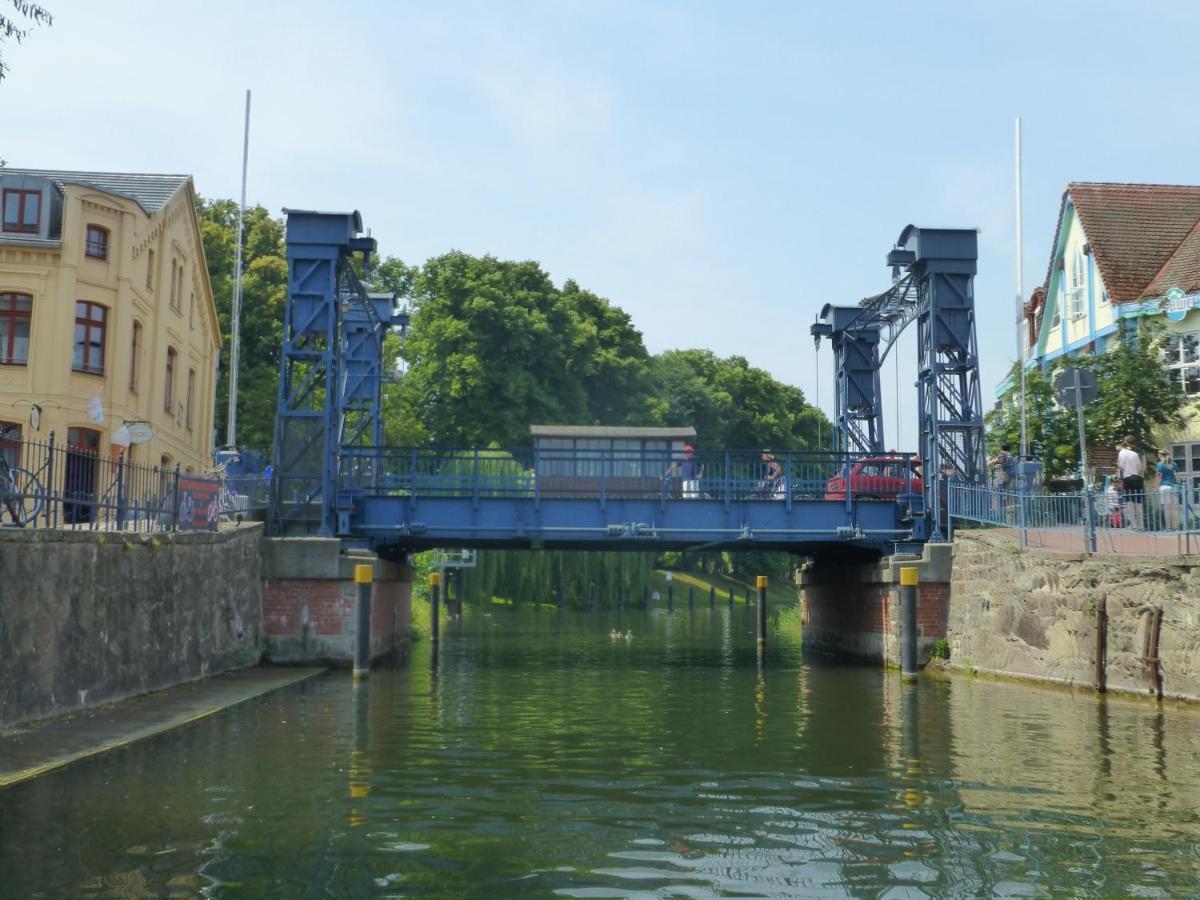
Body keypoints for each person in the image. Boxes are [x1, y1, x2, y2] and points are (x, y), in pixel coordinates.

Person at [1117, 435, 1145, 530]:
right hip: (1138, 478)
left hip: (1128, 478)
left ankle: (1133, 525)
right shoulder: (1135, 454)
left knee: (1130, 502)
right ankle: (1141, 525)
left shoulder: (1122, 453)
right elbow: (1139, 468)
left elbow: (1121, 467)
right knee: (1139, 503)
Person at [1156, 449, 1179, 531]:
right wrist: (1178, 484)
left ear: (1161, 455)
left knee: (1167, 508)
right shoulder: (1174, 464)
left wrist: (1156, 487)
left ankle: (1168, 527)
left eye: (1158, 454)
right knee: (1174, 508)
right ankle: (1175, 527)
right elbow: (1177, 476)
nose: (1158, 455)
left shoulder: (1160, 464)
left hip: (1164, 486)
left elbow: (1159, 476)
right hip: (1173, 486)